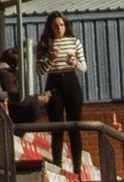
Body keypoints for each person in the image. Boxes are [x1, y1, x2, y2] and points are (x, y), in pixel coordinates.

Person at [37, 12, 87, 173]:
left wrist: (75, 62)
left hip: (71, 82)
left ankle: (77, 168)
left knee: (74, 126)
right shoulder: (45, 44)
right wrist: (50, 58)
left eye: (62, 25)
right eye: (55, 26)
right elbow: (40, 70)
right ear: (50, 28)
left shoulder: (74, 41)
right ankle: (57, 164)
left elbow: (84, 67)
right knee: (57, 127)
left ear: (66, 26)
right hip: (54, 83)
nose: (59, 28)